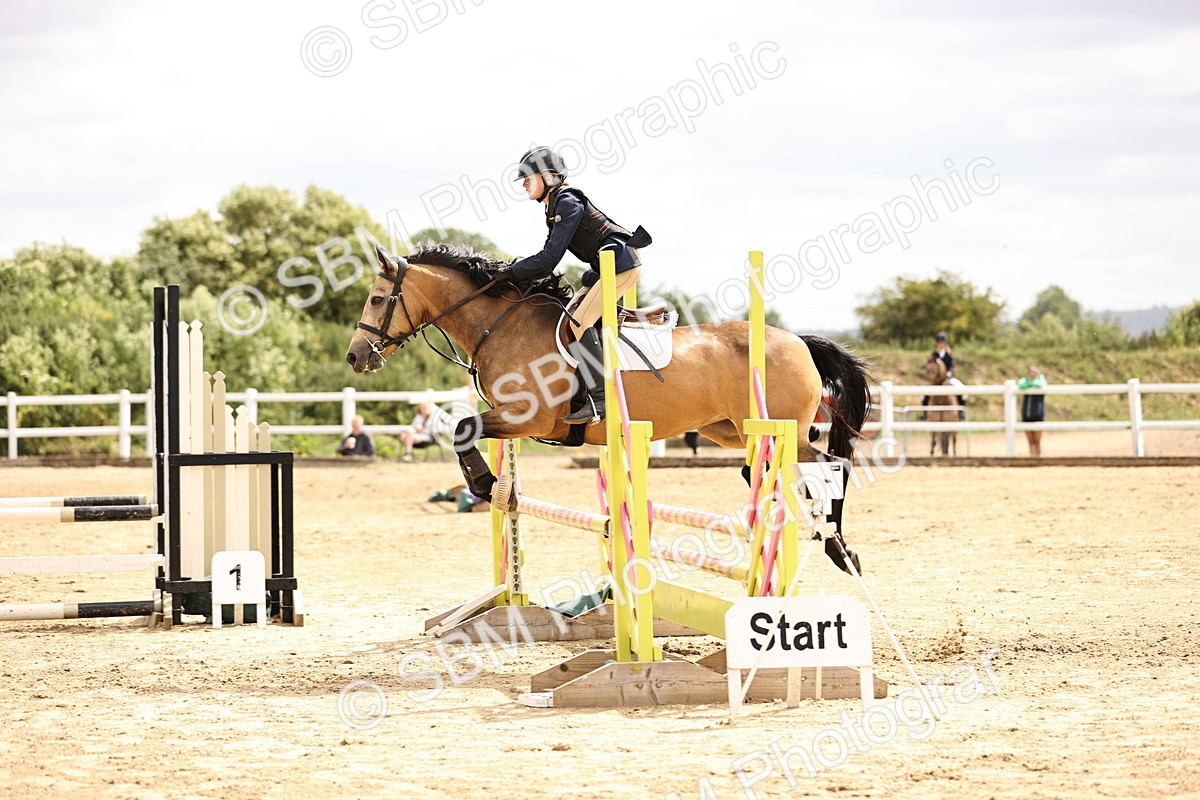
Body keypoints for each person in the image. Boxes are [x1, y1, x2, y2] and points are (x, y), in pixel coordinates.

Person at [492, 145, 651, 425]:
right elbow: (547, 258)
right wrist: (512, 273)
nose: (524, 184)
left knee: (578, 322)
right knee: (571, 317)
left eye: (528, 177)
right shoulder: (554, 205)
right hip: (604, 269)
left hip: (620, 266)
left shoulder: (567, 202)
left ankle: (600, 399)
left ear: (549, 176)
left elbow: (549, 258)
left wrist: (511, 271)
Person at [930, 331, 967, 418]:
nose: (941, 344)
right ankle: (924, 414)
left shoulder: (949, 354)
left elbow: (952, 366)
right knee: (923, 394)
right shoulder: (934, 354)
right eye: (939, 342)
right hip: (937, 379)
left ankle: (961, 412)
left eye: (942, 342)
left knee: (963, 390)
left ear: (945, 343)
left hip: (949, 377)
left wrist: (949, 373)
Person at [1019, 366, 1047, 457]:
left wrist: (1031, 383)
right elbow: (1021, 385)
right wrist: (1030, 384)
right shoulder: (1025, 383)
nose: (1032, 375)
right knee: (1030, 441)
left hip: (1037, 415)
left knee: (1037, 440)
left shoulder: (1041, 382)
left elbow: (1041, 385)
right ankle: (1032, 457)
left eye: (1034, 373)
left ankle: (1038, 457)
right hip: (1026, 415)